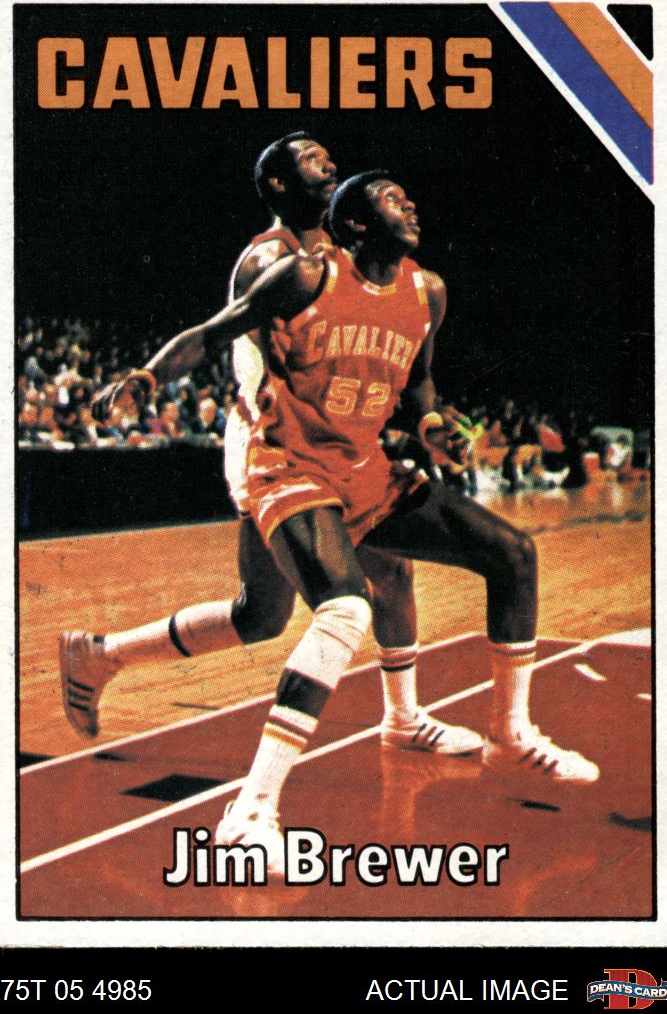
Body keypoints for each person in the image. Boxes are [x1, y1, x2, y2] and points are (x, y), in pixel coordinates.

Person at [74, 169, 598, 873]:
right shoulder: (303, 274)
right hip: (283, 461)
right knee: (344, 608)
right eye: (392, 200)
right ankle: (249, 812)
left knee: (509, 553)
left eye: (408, 197)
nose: (410, 204)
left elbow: (418, 384)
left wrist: (434, 426)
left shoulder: (426, 291)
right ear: (354, 225)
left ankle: (505, 732)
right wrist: (145, 377)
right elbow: (212, 332)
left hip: (361, 467)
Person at [60, 135, 481, 759]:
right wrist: (151, 376)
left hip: (325, 441)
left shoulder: (341, 255)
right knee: (344, 592)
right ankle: (396, 720)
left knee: (269, 613)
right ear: (280, 185)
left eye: (330, 159)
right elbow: (231, 346)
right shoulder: (271, 258)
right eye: (313, 161)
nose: (330, 165)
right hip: (274, 440)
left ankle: (101, 656)